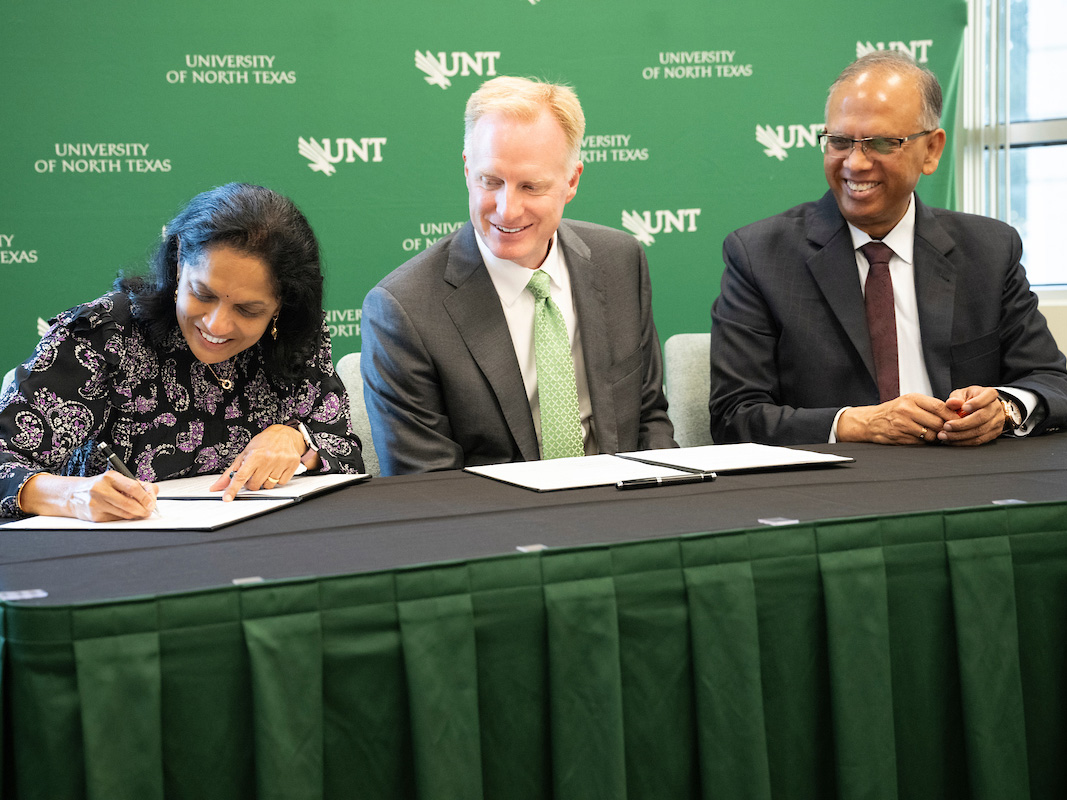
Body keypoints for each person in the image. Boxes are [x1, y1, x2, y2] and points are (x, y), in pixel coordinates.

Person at [709, 50, 1067, 447]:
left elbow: (1053, 381)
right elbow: (734, 416)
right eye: (840, 141)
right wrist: (856, 423)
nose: (856, 164)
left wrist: (1003, 408)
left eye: (880, 143)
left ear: (931, 150)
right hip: (831, 487)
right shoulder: (760, 255)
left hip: (968, 475)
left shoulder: (989, 249)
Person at [361, 76, 676, 475]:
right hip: (498, 529)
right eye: (490, 181)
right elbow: (428, 487)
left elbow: (649, 417)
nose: (508, 210)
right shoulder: (402, 310)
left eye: (531, 186)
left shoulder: (619, 260)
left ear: (572, 180)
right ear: (466, 168)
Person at [0, 183, 364, 520]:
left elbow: (343, 447)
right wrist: (71, 496)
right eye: (202, 295)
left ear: (281, 306)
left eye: (248, 310)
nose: (216, 326)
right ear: (177, 265)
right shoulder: (105, 334)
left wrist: (296, 438)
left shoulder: (295, 336)